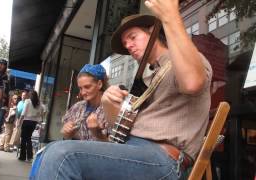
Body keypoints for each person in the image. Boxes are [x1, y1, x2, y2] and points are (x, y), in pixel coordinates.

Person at [29, 1, 213, 179]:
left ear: (153, 31)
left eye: (133, 37)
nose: (129, 46)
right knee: (46, 153)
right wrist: (108, 103)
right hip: (134, 150)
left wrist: (170, 16)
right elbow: (120, 133)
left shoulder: (186, 60)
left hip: (162, 158)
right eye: (125, 44)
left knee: (61, 155)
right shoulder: (147, 77)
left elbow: (192, 83)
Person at [61, 64, 108, 141]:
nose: (82, 92)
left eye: (87, 87)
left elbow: (116, 148)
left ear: (99, 84)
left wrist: (97, 133)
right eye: (80, 88)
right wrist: (67, 133)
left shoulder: (111, 109)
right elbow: (66, 137)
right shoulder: (77, 107)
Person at [17, 90, 44, 161]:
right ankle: (29, 156)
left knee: (23, 139)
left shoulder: (27, 101)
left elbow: (23, 112)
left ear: (29, 95)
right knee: (28, 138)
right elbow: (42, 112)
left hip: (26, 121)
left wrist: (19, 121)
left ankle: (22, 156)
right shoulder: (39, 103)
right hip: (33, 123)